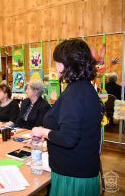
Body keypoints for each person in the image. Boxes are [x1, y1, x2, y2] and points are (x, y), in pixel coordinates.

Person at [31, 39, 102, 196]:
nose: (55, 66)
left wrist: (42, 131)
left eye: (57, 62)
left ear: (64, 64)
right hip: (81, 169)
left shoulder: (75, 93)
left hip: (73, 174)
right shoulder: (84, 88)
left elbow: (68, 138)